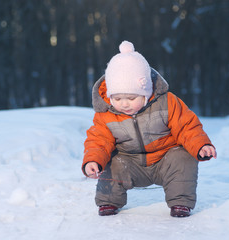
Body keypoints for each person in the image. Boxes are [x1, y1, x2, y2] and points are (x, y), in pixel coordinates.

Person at [82, 40, 217, 217]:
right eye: (117, 98)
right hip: (129, 163)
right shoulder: (106, 113)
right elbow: (98, 141)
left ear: (145, 92)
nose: (124, 104)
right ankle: (109, 201)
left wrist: (201, 145)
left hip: (164, 159)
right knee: (111, 161)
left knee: (183, 156)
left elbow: (187, 127)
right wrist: (93, 161)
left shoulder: (167, 102)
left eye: (131, 98)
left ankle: (180, 202)